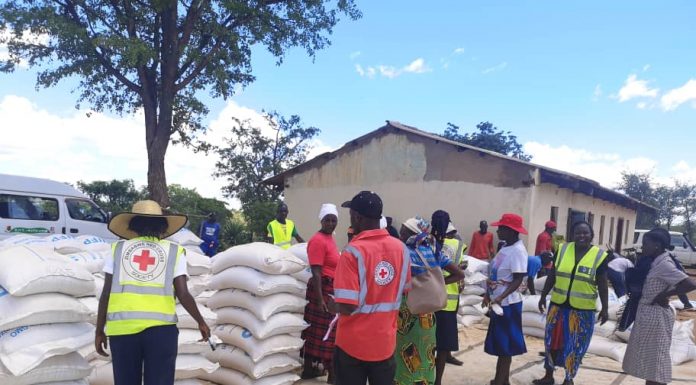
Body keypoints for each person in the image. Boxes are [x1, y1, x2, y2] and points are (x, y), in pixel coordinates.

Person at [95, 200, 211, 385]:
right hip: (161, 331)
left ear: (132, 226)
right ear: (163, 226)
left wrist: (99, 330)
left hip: (122, 330)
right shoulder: (173, 251)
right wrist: (201, 322)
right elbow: (183, 293)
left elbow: (106, 294)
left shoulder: (118, 249)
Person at [330, 191, 410, 385]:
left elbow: (348, 306)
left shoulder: (352, 253)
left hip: (353, 346)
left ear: (357, 217)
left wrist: (331, 306)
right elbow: (405, 289)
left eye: (351, 216)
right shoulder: (401, 249)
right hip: (384, 344)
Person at [535, 221, 609, 385]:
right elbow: (552, 275)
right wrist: (543, 296)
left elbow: (603, 285)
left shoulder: (599, 256)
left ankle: (569, 379)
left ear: (592, 236)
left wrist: (605, 307)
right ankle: (548, 375)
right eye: (578, 233)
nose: (581, 236)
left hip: (582, 311)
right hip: (558, 307)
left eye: (585, 233)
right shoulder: (562, 249)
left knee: (575, 346)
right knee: (551, 342)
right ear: (572, 235)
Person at [622, 228, 696, 385]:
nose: (643, 247)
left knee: (656, 361)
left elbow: (690, 284)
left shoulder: (664, 265)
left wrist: (665, 295)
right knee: (651, 362)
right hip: (649, 315)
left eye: (645, 243)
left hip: (656, 317)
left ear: (657, 245)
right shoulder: (656, 261)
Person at [395, 217, 464, 385]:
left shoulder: (404, 252)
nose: (400, 233)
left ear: (413, 233)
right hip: (428, 314)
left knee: (405, 353)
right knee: (426, 351)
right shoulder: (434, 250)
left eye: (404, 230)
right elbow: (459, 274)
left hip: (408, 312)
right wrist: (439, 283)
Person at [483, 213, 528, 385]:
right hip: (498, 302)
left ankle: (500, 381)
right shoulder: (505, 247)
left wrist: (501, 296)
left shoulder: (518, 251)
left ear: (511, 231)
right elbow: (496, 273)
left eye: (501, 228)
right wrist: (488, 294)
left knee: (505, 346)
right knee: (502, 344)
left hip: (508, 305)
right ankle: (502, 379)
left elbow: (517, 279)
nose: (497, 231)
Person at [301, 204, 341, 383]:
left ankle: (310, 368)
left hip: (329, 288)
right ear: (321, 220)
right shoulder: (318, 240)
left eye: (334, 220)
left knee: (323, 331)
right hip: (321, 289)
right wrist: (319, 299)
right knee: (327, 332)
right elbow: (316, 271)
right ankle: (331, 374)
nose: (331, 223)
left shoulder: (330, 238)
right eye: (327, 220)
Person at [431, 211, 467, 385]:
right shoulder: (457, 244)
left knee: (428, 341)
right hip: (447, 302)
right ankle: (437, 381)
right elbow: (460, 270)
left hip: (427, 301)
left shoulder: (425, 242)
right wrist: (443, 281)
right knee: (444, 345)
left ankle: (427, 377)